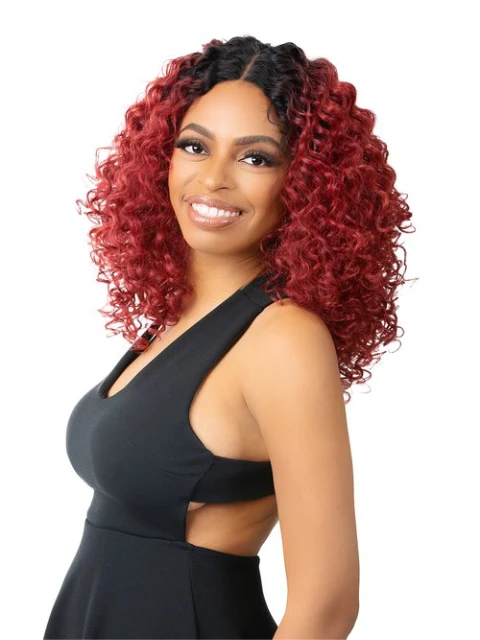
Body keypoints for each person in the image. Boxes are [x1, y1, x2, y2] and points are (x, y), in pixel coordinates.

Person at [43, 35, 415, 639]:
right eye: (195, 146)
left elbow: (326, 608)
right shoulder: (175, 318)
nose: (213, 178)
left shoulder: (284, 338)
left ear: (305, 184)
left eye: (256, 158)